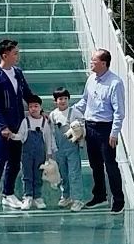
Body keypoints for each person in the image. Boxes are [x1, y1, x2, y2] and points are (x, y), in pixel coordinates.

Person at [0, 38, 33, 219]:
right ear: (5, 55)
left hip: (18, 124)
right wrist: (2, 126)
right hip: (3, 128)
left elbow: (27, 93)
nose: (17, 56)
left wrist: (38, 108)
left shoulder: (17, 73)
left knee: (14, 162)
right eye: (15, 53)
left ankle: (8, 194)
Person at [81, 47, 126, 212]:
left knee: (110, 164)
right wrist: (67, 112)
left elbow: (119, 112)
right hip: (90, 126)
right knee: (95, 164)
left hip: (105, 128)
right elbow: (85, 101)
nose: (91, 63)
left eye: (94, 60)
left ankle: (118, 200)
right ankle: (99, 195)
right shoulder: (91, 79)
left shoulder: (115, 83)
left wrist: (114, 133)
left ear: (104, 63)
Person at [49, 87, 86, 210]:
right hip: (59, 149)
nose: (63, 101)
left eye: (65, 98)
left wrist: (79, 135)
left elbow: (82, 127)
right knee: (63, 174)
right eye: (60, 99)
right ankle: (66, 196)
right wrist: (53, 149)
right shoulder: (53, 115)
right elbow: (51, 133)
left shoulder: (74, 112)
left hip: (72, 148)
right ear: (55, 101)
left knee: (74, 173)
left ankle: (78, 199)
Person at [19, 94, 56, 210]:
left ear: (40, 107)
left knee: (38, 174)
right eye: (30, 107)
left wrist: (49, 153)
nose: (33, 109)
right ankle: (28, 196)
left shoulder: (44, 122)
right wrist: (13, 136)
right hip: (26, 153)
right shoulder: (25, 122)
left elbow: (48, 138)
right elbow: (21, 136)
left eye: (36, 106)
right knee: (27, 174)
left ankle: (38, 197)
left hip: (40, 153)